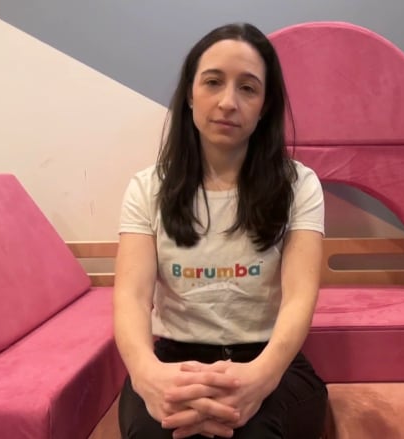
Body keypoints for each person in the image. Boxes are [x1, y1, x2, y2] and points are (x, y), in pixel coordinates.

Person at [114, 22, 328, 438]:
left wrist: (259, 379)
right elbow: (132, 297)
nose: (228, 102)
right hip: (174, 359)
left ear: (265, 105)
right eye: (213, 82)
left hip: (269, 360)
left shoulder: (299, 185)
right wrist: (146, 376)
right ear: (190, 95)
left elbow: (300, 297)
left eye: (248, 88)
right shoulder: (147, 188)